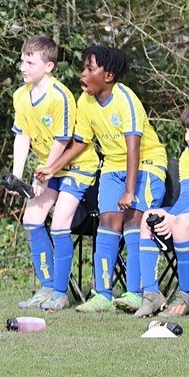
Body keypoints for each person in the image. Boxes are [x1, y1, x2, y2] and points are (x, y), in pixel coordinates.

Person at [37, 46, 167, 314]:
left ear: (108, 75)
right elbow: (81, 143)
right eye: (83, 68)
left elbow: (134, 148)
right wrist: (52, 168)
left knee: (134, 220)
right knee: (107, 224)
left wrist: (130, 191)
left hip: (146, 164)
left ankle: (135, 292)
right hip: (112, 166)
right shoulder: (85, 102)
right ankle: (103, 295)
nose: (83, 74)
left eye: (89, 69)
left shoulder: (126, 100)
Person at [8, 36, 99, 311]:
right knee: (32, 219)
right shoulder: (20, 96)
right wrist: (17, 177)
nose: (22, 67)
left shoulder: (61, 96)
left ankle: (60, 294)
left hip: (77, 167)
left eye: (30, 62)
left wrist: (44, 174)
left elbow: (62, 141)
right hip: (47, 168)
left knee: (60, 223)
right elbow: (22, 138)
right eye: (22, 60)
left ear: (48, 66)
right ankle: (46, 288)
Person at [138, 106, 189, 316]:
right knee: (148, 217)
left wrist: (175, 217)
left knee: (180, 222)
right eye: (186, 130)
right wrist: (169, 215)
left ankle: (185, 295)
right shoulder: (187, 156)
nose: (187, 137)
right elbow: (186, 194)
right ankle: (151, 295)